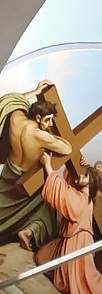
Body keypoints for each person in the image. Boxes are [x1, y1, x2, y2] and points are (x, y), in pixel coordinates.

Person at [35, 153, 102, 294]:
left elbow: (63, 193)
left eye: (85, 176)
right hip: (72, 239)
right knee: (44, 257)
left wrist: (48, 165)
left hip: (79, 243)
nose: (81, 176)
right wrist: (82, 163)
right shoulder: (82, 195)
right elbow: (68, 188)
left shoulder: (82, 198)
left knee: (88, 279)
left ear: (91, 182)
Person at [0, 80, 72, 250]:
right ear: (38, 118)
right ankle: (30, 232)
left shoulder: (17, 119)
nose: (51, 124)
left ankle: (27, 232)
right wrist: (51, 136)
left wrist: (35, 91)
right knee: (47, 208)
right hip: (26, 182)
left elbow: (12, 100)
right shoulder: (40, 136)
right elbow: (67, 148)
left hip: (9, 175)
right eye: (48, 120)